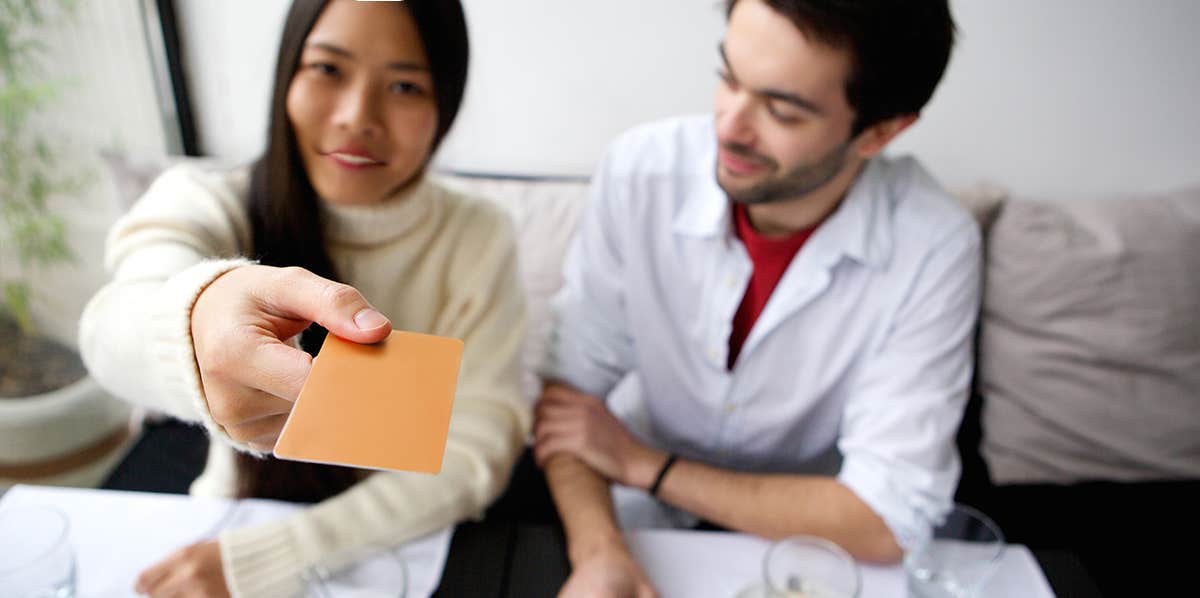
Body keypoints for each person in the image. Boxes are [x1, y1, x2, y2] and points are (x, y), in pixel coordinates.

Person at [79, 1, 528, 596]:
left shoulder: (478, 236)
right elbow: (114, 323)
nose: (356, 117)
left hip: (406, 534)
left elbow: (480, 443)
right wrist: (199, 315)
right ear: (287, 73)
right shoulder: (213, 201)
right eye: (327, 69)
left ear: (445, 101)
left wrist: (281, 554)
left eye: (403, 85)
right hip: (228, 521)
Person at [533, 0, 976, 594]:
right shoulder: (641, 172)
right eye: (729, 78)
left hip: (810, 551)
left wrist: (645, 464)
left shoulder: (933, 244)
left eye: (782, 111)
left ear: (880, 132)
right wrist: (598, 555)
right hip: (634, 520)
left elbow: (885, 518)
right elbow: (568, 398)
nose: (728, 126)